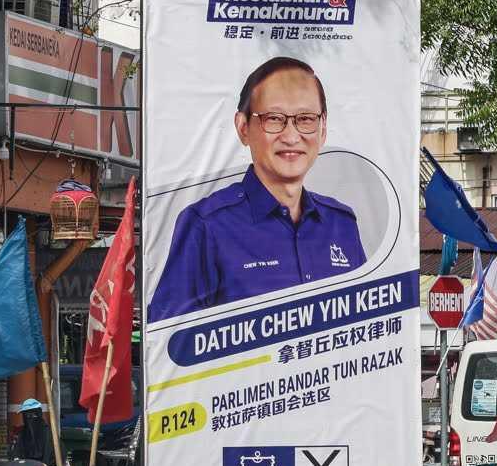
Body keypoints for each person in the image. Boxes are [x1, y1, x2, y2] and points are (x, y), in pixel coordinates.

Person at [148, 56, 367, 321]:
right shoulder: (207, 226)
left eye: (306, 119)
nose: (291, 136)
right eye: (273, 119)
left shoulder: (342, 225)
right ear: (243, 128)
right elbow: (172, 343)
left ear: (323, 129)